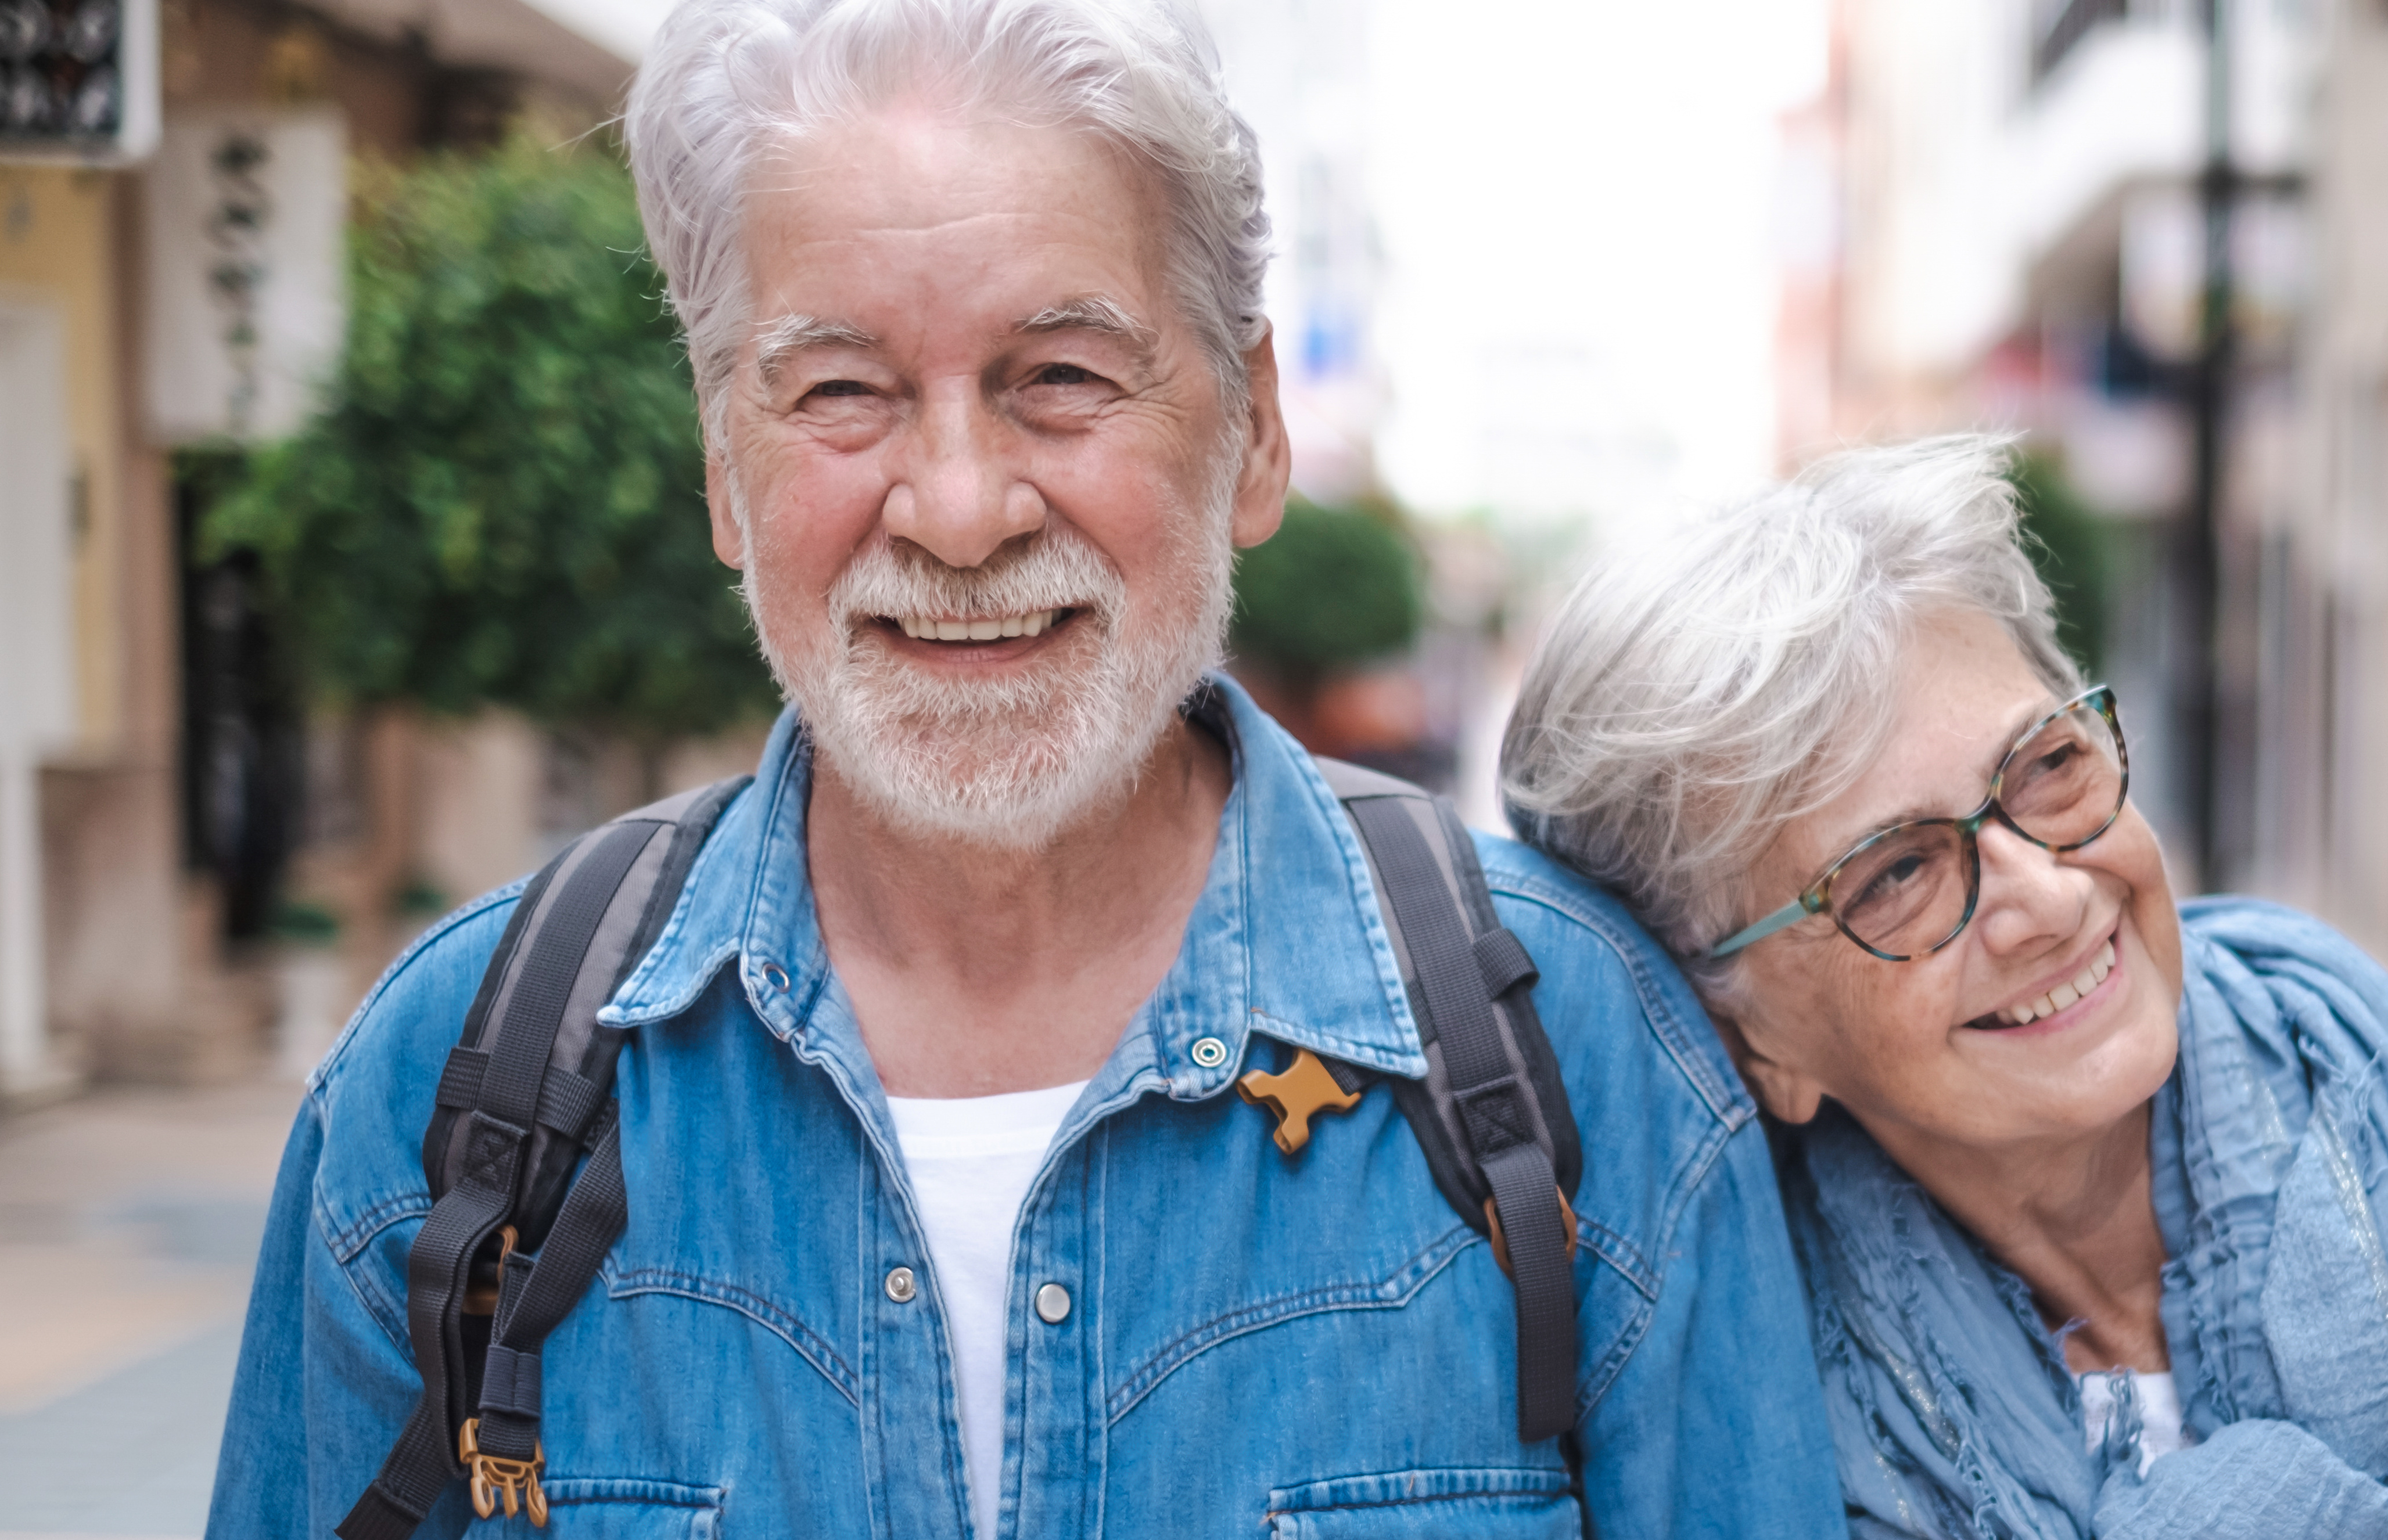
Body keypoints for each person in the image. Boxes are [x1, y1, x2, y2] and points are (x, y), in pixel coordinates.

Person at [203, 1, 1845, 1534]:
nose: (961, 507)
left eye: (1059, 376)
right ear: (724, 473)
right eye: (839, 390)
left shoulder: (1583, 1052)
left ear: (1253, 429)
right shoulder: (446, 1091)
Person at [1500, 437, 2388, 1540]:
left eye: (2048, 770)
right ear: (1752, 1041)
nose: (2050, 895)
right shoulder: (1720, 1444)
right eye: (1896, 877)